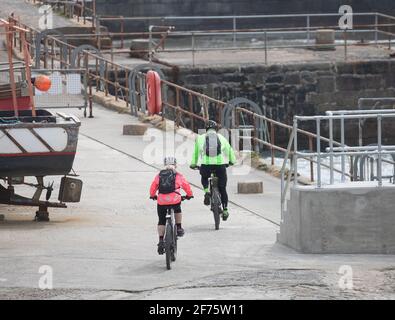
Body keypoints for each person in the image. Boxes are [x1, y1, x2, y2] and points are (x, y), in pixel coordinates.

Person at [190, 120, 236, 221]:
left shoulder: (201, 138)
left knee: (204, 176)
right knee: (223, 188)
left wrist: (193, 164)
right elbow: (229, 151)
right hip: (220, 165)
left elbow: (196, 153)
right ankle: (225, 210)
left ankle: (207, 191)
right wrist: (232, 161)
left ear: (206, 129)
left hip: (206, 165)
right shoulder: (221, 138)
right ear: (216, 129)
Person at [150, 157, 193, 255]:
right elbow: (186, 186)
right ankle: (179, 227)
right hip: (174, 200)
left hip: (161, 201)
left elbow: (153, 187)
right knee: (177, 209)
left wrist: (152, 195)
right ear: (176, 165)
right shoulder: (178, 175)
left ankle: (161, 241)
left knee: (161, 220)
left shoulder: (159, 175)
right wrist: (189, 195)